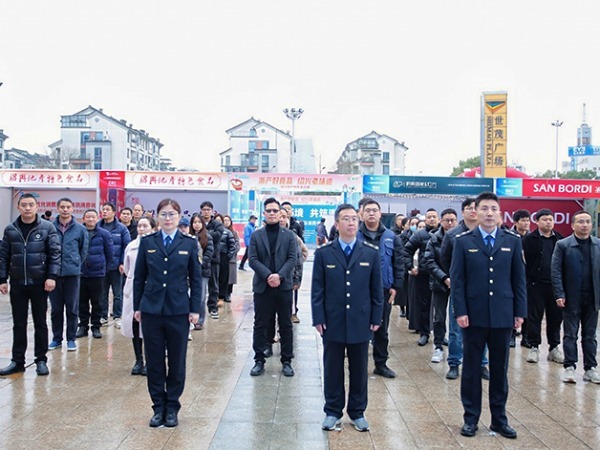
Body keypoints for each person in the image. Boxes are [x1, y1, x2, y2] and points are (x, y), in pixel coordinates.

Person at [451, 192, 526, 439]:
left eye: (494, 209)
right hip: (473, 316)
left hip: (503, 314)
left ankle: (499, 420)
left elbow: (519, 280)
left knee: (499, 370)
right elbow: (458, 280)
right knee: (472, 369)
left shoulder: (512, 240)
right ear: (476, 212)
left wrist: (519, 312)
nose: (489, 213)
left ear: (500, 213)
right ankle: (470, 419)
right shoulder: (463, 241)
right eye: (484, 208)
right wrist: (460, 311)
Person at [312, 203, 383, 432]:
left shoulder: (370, 253)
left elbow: (376, 290)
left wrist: (376, 318)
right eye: (346, 218)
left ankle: (357, 412)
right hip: (332, 320)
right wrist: (318, 317)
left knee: (359, 369)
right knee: (332, 368)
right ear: (336, 223)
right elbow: (317, 289)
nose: (351, 222)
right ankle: (333, 411)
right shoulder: (324, 253)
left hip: (360, 320)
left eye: (354, 218)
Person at [133, 198, 202, 428]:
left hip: (178, 309)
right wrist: (137, 307)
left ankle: (172, 407)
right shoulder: (148, 242)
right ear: (157, 217)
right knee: (154, 361)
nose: (168, 218)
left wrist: (195, 309)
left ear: (179, 217)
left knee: (177, 360)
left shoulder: (189, 243)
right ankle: (158, 407)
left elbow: (196, 278)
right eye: (163, 214)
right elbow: (139, 277)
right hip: (151, 309)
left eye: (172, 214)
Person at [0, 193, 61, 376]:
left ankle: (41, 360)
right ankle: (17, 361)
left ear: (37, 207)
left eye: (31, 205)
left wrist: (52, 277)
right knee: (19, 323)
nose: (27, 208)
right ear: (18, 207)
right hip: (18, 282)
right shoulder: (10, 229)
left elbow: (55, 254)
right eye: (24, 205)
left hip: (40, 283)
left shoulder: (47, 228)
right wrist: (2, 279)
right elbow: (4, 256)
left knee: (40, 322)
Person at [439, 198, 489, 381]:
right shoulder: (453, 235)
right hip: (460, 289)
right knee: (455, 328)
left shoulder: (487, 233)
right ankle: (454, 363)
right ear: (463, 212)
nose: (473, 211)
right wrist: (453, 278)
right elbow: (444, 259)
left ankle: (482, 364)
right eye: (469, 208)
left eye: (476, 208)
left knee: (483, 327)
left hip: (482, 288)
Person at [248, 197, 297, 377]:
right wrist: (268, 275)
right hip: (263, 286)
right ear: (264, 213)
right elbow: (253, 259)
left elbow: (292, 258)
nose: (272, 213)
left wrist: (279, 276)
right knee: (260, 324)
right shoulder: (256, 235)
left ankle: (287, 361)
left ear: (280, 213)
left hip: (283, 287)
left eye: (275, 211)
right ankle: (259, 360)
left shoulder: (289, 235)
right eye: (268, 211)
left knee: (285, 324)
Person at [357, 198, 404, 379]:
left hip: (383, 289)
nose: (371, 213)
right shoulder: (355, 235)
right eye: (367, 210)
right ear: (361, 214)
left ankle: (381, 364)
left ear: (380, 214)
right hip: (359, 290)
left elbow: (398, 263)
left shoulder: (391, 237)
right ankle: (359, 363)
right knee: (359, 328)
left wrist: (396, 287)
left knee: (381, 329)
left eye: (374, 210)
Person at [551, 210, 600, 384]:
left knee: (590, 335)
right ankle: (569, 367)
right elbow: (556, 271)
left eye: (587, 221)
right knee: (570, 334)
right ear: (572, 225)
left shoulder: (598, 244)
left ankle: (590, 368)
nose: (584, 225)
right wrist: (559, 293)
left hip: (592, 297)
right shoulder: (563, 245)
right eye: (580, 222)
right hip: (571, 297)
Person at [522, 209, 564, 364]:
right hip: (535, 285)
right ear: (537, 222)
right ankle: (534, 347)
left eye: (550, 219)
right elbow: (523, 261)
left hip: (554, 286)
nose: (548, 222)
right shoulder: (529, 239)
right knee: (534, 317)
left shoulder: (560, 239)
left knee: (555, 317)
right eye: (545, 219)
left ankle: (554, 347)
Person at [48, 198, 88, 352]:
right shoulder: (49, 227)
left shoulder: (80, 229)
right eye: (62, 207)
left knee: (72, 308)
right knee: (56, 309)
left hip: (72, 274)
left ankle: (71, 338)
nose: (65, 210)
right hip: (54, 274)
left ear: (72, 209)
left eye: (68, 207)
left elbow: (83, 250)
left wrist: (75, 263)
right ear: (57, 208)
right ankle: (56, 338)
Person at [122, 216, 156, 376]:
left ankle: (150, 361)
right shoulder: (131, 246)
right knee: (135, 323)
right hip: (133, 287)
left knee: (150, 326)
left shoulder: (157, 246)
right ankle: (138, 360)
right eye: (139, 226)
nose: (141, 229)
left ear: (153, 228)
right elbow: (127, 268)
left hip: (151, 288)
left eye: (145, 226)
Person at [423, 208, 457, 364]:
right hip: (440, 282)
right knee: (439, 316)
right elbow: (429, 261)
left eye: (452, 220)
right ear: (441, 221)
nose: (450, 223)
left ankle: (458, 348)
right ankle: (438, 346)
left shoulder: (463, 237)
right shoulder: (434, 239)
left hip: (459, 283)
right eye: (446, 220)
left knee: (459, 317)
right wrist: (444, 278)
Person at [404, 208, 440, 346]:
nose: (432, 219)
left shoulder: (445, 234)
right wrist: (410, 267)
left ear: (438, 219)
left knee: (441, 308)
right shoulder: (420, 235)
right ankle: (424, 333)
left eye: (434, 216)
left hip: (442, 276)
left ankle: (440, 335)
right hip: (424, 275)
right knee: (424, 306)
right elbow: (407, 250)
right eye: (429, 217)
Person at [77, 209, 113, 339]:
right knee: (82, 302)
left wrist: (103, 267)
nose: (91, 219)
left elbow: (109, 253)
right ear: (83, 219)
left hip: (97, 274)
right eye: (88, 217)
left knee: (97, 302)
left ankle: (96, 326)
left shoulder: (104, 234)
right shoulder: (79, 232)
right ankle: (83, 326)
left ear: (97, 218)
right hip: (81, 273)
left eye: (93, 217)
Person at [99, 202, 131, 328]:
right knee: (103, 293)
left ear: (113, 212)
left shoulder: (121, 228)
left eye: (107, 209)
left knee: (118, 294)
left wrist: (123, 262)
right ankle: (103, 316)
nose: (105, 212)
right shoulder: (98, 226)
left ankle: (117, 316)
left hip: (117, 266)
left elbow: (126, 246)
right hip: (102, 266)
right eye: (103, 209)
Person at [200, 201, 225, 319]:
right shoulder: (198, 222)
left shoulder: (217, 224)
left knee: (213, 284)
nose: (206, 212)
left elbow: (217, 237)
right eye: (204, 209)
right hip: (199, 258)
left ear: (212, 211)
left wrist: (203, 233)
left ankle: (213, 307)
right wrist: (209, 234)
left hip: (213, 258)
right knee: (199, 285)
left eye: (208, 209)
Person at [190, 213, 213, 330]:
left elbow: (209, 253)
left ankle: (200, 319)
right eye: (195, 222)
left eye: (199, 222)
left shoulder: (207, 236)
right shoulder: (188, 237)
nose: (197, 224)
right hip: (189, 272)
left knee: (201, 297)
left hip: (203, 271)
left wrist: (200, 265)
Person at [213, 214, 236, 305]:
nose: (218, 222)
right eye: (216, 220)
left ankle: (222, 296)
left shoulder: (227, 232)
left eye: (220, 220)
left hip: (224, 256)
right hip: (214, 256)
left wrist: (228, 256)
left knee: (223, 277)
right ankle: (214, 295)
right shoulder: (211, 231)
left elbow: (232, 245)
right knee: (214, 277)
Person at [223, 215, 240, 303]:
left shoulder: (234, 233)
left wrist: (231, 252)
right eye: (224, 220)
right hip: (222, 258)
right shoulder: (220, 232)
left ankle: (228, 294)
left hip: (231, 259)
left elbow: (237, 245)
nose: (226, 222)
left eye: (228, 220)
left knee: (231, 278)